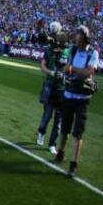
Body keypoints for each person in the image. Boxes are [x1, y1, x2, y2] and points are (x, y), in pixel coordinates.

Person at [53, 26, 98, 178]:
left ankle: (73, 164)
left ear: (84, 37)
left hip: (82, 99)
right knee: (65, 128)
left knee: (78, 132)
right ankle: (60, 153)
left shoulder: (93, 53)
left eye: (78, 35)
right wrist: (74, 70)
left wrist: (73, 69)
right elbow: (67, 68)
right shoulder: (72, 50)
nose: (75, 38)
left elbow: (89, 72)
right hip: (69, 93)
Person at [38, 22, 68, 153]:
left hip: (62, 87)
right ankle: (41, 132)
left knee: (59, 118)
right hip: (51, 84)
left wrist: (64, 73)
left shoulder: (68, 50)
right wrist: (50, 72)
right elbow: (43, 65)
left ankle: (52, 143)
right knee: (48, 113)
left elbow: (70, 65)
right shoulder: (49, 49)